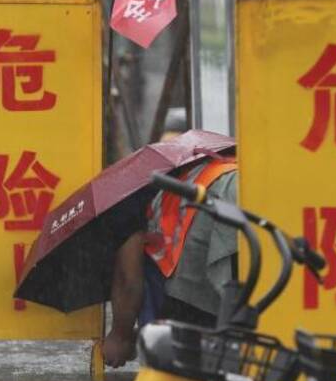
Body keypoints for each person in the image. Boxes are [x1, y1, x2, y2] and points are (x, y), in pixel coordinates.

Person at [101, 154, 238, 367]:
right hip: (236, 192)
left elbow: (128, 280)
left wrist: (120, 336)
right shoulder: (181, 169)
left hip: (203, 234)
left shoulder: (121, 200)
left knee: (180, 364)